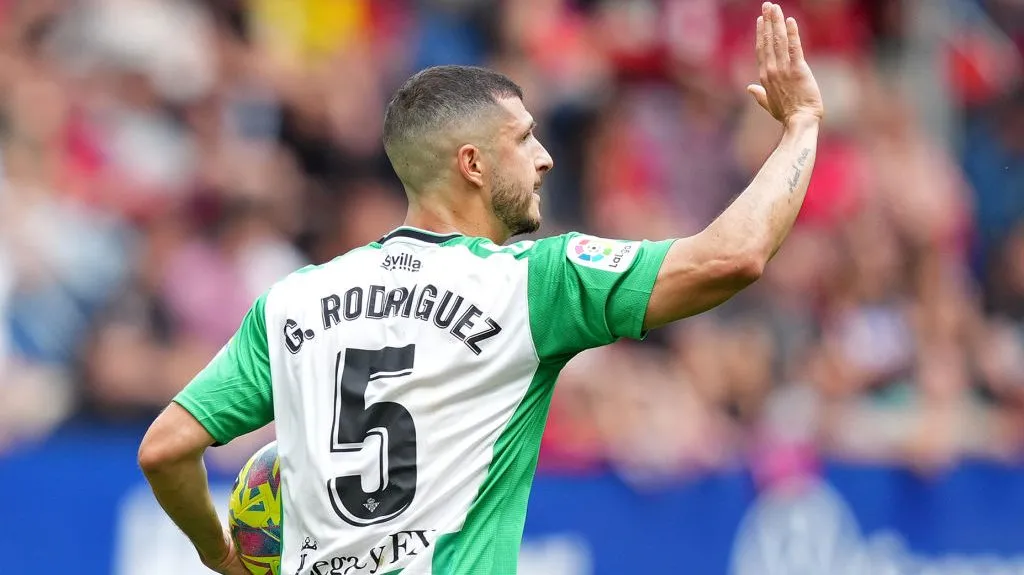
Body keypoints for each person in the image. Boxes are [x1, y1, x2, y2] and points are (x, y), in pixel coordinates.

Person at [137, 3, 824, 574]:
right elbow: (732, 257)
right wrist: (800, 126)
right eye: (524, 139)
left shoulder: (291, 300)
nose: (546, 157)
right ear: (471, 163)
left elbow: (166, 447)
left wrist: (220, 552)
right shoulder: (531, 282)